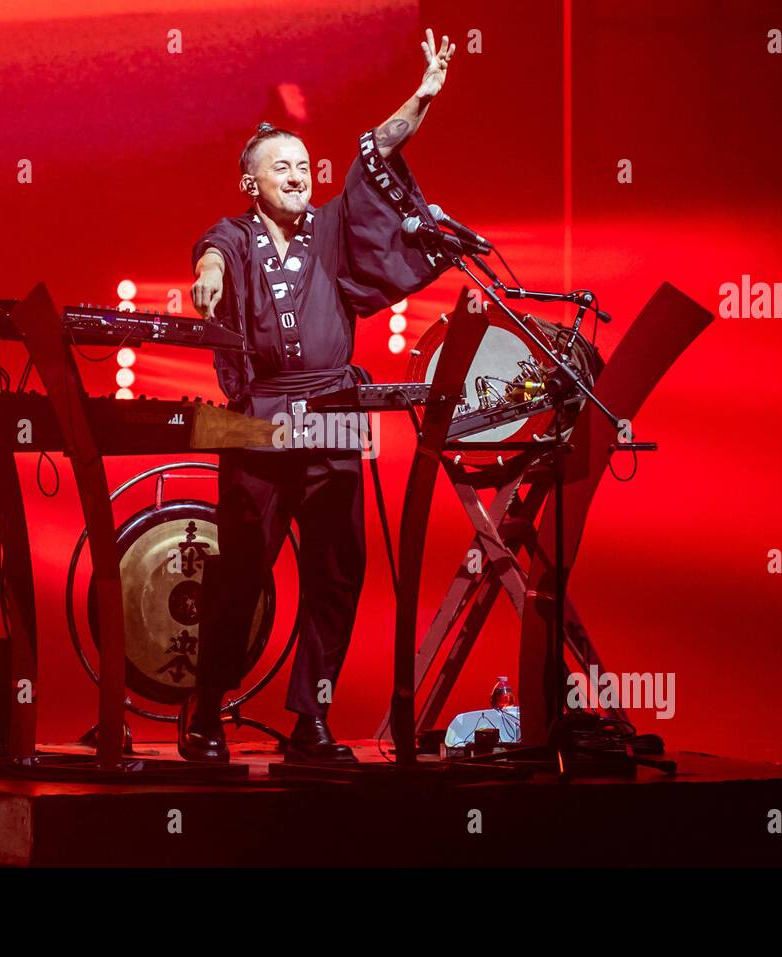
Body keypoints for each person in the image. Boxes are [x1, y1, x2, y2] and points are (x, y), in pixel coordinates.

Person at [181, 30, 456, 763]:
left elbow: (378, 156)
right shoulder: (235, 236)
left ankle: (313, 719)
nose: (299, 177)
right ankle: (203, 715)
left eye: (304, 166)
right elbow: (209, 254)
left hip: (332, 413)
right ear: (253, 183)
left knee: (339, 570)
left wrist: (422, 95)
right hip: (255, 421)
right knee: (242, 570)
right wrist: (208, 280)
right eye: (283, 168)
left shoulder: (331, 231)